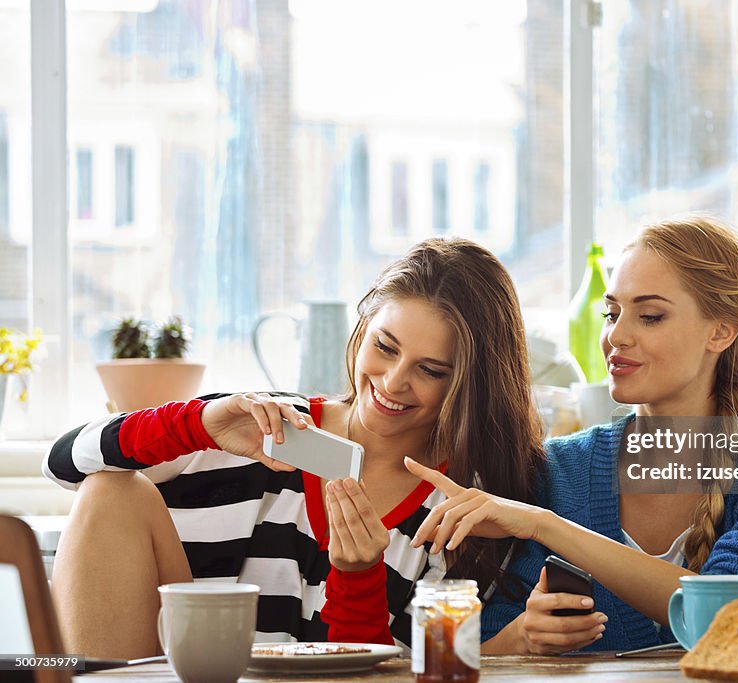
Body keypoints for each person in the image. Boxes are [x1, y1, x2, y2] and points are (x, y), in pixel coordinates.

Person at [44, 238, 546, 659]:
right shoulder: (258, 423)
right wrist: (196, 425)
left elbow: (398, 675)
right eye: (385, 347)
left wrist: (359, 579)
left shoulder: (463, 510)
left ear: (471, 383)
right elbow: (65, 466)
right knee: (108, 490)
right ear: (362, 328)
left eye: (431, 370)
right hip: (184, 665)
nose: (393, 382)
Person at [406, 216, 738, 654]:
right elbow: (468, 653)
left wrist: (546, 527)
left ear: (721, 331)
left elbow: (731, 620)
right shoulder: (557, 470)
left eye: (650, 316)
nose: (615, 336)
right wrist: (524, 636)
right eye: (612, 314)